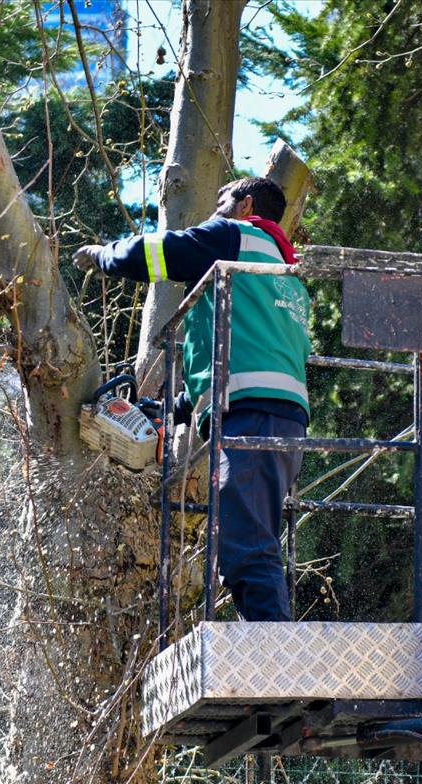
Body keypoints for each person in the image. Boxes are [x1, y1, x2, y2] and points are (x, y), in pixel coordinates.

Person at [73, 177, 309, 622]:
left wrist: (104, 256)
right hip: (281, 421)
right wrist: (172, 410)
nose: (213, 212)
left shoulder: (234, 237)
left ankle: (272, 665)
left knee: (245, 548)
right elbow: (240, 357)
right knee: (247, 542)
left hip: (250, 420)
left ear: (247, 205)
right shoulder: (286, 278)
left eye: (222, 202)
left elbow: (159, 252)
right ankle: (269, 653)